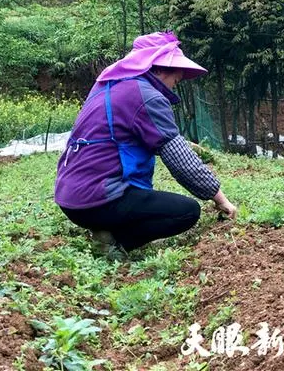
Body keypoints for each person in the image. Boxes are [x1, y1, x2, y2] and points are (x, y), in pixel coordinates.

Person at [54, 31, 236, 257]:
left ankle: (107, 226)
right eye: (175, 80)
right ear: (158, 69)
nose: (174, 87)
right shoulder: (146, 96)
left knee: (146, 200)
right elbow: (181, 162)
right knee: (187, 211)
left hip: (69, 196)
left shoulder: (109, 85)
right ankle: (114, 243)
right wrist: (220, 199)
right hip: (97, 199)